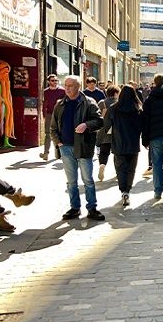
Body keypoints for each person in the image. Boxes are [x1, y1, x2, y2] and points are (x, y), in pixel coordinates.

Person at [50, 75, 105, 221]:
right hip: (66, 147)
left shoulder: (88, 102)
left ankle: (92, 208)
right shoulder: (60, 104)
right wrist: (58, 142)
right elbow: (53, 127)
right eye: (66, 85)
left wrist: (86, 125)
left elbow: (99, 121)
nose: (67, 88)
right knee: (71, 181)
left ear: (78, 87)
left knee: (87, 179)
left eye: (71, 86)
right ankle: (75, 208)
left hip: (83, 146)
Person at [101, 85, 141, 207]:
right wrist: (145, 141)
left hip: (118, 143)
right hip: (133, 144)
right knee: (131, 169)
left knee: (120, 169)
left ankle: (123, 190)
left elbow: (105, 125)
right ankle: (127, 191)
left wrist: (100, 141)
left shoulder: (113, 109)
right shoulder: (137, 109)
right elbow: (143, 126)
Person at [96, 85, 120, 181]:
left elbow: (96, 116)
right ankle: (118, 172)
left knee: (104, 151)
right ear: (115, 93)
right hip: (116, 131)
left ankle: (102, 165)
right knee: (117, 153)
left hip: (104, 130)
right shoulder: (118, 103)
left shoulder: (102, 103)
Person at [40, 74, 66, 160]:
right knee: (47, 133)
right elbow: (44, 103)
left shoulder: (62, 91)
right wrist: (43, 115)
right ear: (48, 82)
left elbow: (65, 102)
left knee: (58, 133)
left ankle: (58, 153)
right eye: (52, 80)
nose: (55, 82)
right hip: (49, 114)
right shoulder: (45, 91)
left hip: (59, 115)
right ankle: (46, 153)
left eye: (56, 80)